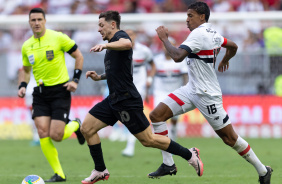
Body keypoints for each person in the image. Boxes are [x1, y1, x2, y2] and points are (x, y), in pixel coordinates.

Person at [148, 2, 273, 184]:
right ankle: (168, 164)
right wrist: (224, 60)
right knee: (157, 115)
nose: (187, 19)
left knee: (230, 139)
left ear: (202, 17)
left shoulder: (198, 34)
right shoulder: (211, 32)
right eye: (187, 15)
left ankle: (263, 171)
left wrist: (164, 39)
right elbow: (233, 46)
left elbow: (177, 57)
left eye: (190, 15)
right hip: (192, 89)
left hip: (207, 95)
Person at [80, 10, 203, 184]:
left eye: (101, 25)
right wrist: (99, 77)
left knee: (148, 140)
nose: (99, 30)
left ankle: (189, 154)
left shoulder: (119, 37)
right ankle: (100, 169)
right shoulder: (111, 47)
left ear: (112, 25)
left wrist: (106, 46)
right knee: (87, 128)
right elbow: (117, 72)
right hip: (113, 99)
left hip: (126, 99)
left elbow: (127, 43)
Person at [18, 8, 85, 182]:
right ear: (29, 23)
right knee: (42, 132)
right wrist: (23, 85)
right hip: (40, 93)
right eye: (33, 20)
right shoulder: (26, 45)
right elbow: (25, 70)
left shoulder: (58, 38)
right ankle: (59, 174)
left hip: (59, 91)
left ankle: (76, 125)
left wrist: (75, 80)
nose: (37, 23)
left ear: (45, 21)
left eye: (39, 19)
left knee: (57, 135)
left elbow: (78, 56)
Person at [121, 28, 156, 157]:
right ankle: (146, 132)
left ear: (135, 36)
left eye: (131, 34)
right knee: (129, 114)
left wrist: (149, 79)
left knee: (133, 114)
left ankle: (130, 145)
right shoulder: (121, 50)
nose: (129, 37)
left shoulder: (144, 50)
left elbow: (153, 65)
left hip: (139, 87)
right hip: (125, 87)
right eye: (127, 35)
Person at [152, 36, 188, 142]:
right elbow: (151, 74)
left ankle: (173, 134)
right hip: (160, 92)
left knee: (174, 118)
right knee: (158, 116)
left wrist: (186, 90)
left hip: (175, 92)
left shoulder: (180, 61)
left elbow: (185, 76)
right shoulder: (157, 60)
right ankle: (164, 140)